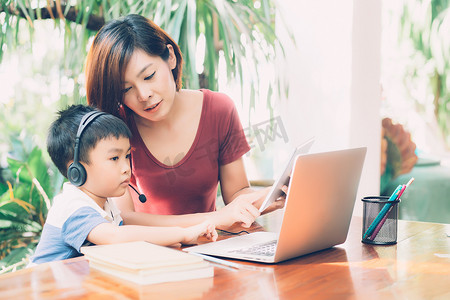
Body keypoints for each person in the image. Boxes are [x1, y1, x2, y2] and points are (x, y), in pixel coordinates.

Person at [85, 14, 284, 230]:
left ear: (170, 56)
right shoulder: (116, 127)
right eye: (126, 89)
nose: (143, 95)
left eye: (149, 75)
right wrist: (209, 221)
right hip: (150, 252)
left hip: (212, 247)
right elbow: (124, 218)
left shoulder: (219, 110)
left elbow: (236, 195)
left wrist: (272, 195)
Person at [31, 105, 217, 264]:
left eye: (127, 156)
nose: (126, 168)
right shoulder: (73, 206)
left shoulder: (105, 204)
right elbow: (115, 237)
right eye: (114, 158)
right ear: (76, 169)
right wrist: (182, 234)